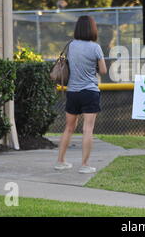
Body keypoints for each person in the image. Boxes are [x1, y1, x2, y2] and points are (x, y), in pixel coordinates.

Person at [54, 15, 107, 174]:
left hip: (72, 92)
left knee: (69, 128)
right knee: (88, 129)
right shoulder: (95, 47)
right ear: (92, 29)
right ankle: (84, 165)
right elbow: (103, 70)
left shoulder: (71, 46)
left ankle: (60, 161)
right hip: (89, 91)